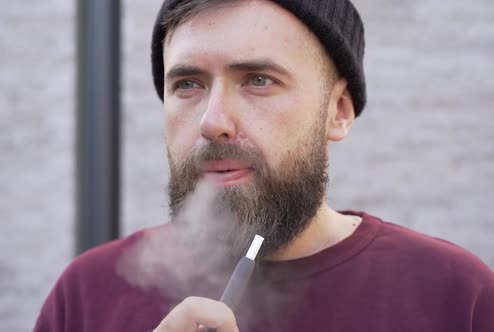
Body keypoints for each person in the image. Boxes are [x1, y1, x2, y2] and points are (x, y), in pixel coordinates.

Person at [34, 0, 494, 331]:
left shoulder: (452, 294)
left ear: (338, 110)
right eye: (188, 84)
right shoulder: (89, 293)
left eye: (258, 80)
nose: (213, 122)